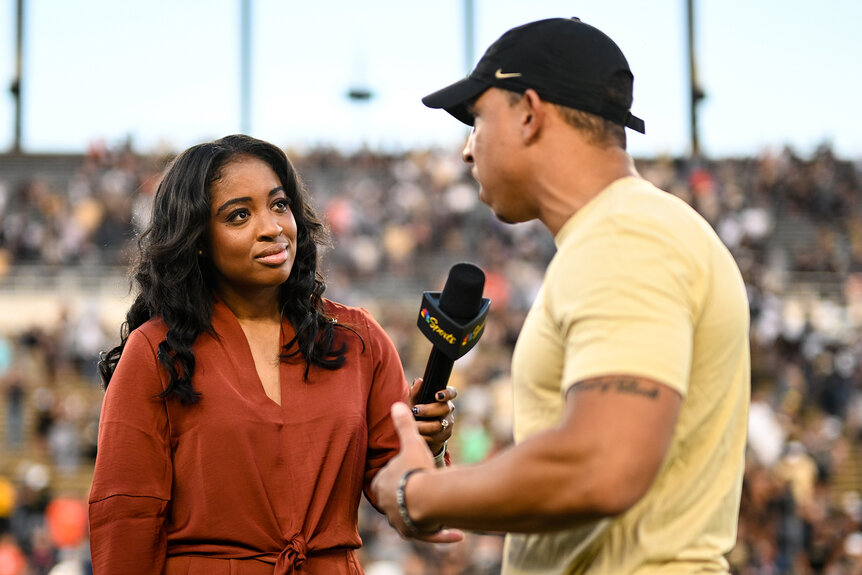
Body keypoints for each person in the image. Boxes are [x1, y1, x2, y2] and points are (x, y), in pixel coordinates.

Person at [371, 17, 751, 574]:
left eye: (476, 120)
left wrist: (419, 492)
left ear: (529, 113)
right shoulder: (638, 228)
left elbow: (602, 464)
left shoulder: (624, 234)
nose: (466, 151)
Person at [88, 134, 459, 574]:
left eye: (279, 205)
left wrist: (429, 451)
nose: (272, 228)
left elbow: (401, 491)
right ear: (198, 238)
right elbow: (126, 523)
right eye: (239, 215)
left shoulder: (358, 340)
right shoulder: (154, 351)